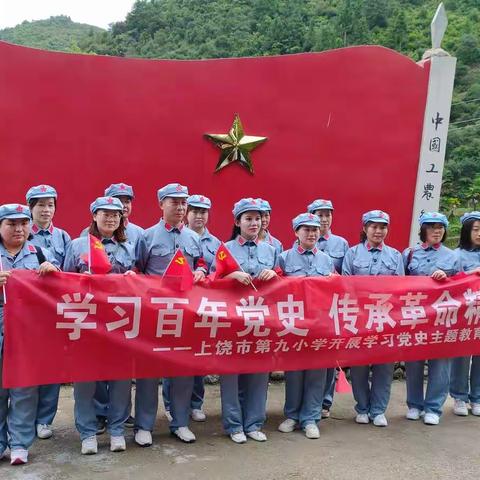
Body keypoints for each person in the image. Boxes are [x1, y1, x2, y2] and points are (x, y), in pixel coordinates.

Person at [63, 196, 136, 454]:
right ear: (94, 216)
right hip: (86, 322)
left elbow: (138, 286)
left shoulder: (128, 248)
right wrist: (79, 280)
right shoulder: (76, 245)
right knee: (86, 380)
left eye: (116, 214)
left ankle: (117, 430)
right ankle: (88, 432)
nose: (111, 218)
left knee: (120, 380)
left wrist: (131, 278)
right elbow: (63, 284)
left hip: (120, 322)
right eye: (105, 213)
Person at [135, 183, 206, 445]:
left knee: (182, 371)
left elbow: (200, 264)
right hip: (154, 314)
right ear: (161, 204)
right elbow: (138, 270)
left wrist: (201, 271)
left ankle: (180, 422)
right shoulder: (147, 236)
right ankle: (143, 425)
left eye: (183, 202)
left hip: (184, 314)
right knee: (148, 372)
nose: (179, 207)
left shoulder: (193, 238)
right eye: (173, 202)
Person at [213, 197, 278, 444]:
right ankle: (233, 425)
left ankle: (253, 423)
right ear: (237, 221)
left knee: (259, 374)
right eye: (248, 218)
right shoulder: (225, 248)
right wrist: (231, 274)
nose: (254, 223)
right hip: (232, 322)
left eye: (258, 218)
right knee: (230, 375)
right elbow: (212, 282)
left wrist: (274, 273)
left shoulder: (271, 250)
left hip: (261, 321)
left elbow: (282, 284)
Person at [0, 203, 58, 465]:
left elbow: (57, 292)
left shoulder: (39, 253)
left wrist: (51, 274)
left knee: (24, 389)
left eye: (23, 223)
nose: (19, 229)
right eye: (11, 224)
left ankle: (20, 444)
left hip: (26, 333)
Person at [342, 210, 404, 427]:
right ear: (365, 228)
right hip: (359, 319)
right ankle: (362, 407)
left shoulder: (396, 256)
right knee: (358, 365)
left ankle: (378, 410)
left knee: (384, 367)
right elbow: (346, 285)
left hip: (385, 319)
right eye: (374, 226)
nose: (378, 231)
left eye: (382, 227)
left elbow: (400, 289)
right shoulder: (352, 254)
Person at [162, 194, 220, 424]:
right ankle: (170, 404)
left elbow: (209, 267)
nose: (199, 215)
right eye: (195, 211)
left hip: (199, 308)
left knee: (197, 356)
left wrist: (203, 273)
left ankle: (195, 403)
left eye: (204, 211)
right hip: (169, 308)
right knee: (171, 359)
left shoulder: (215, 243)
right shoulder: (159, 236)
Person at [277, 213, 335, 439]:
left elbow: (335, 289)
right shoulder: (284, 258)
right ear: (296, 232)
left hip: (320, 325)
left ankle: (310, 418)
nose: (311, 234)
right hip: (294, 325)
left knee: (317, 373)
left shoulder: (326, 260)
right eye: (306, 230)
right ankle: (292, 415)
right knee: (294, 372)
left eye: (315, 230)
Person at [25, 184, 72, 440]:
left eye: (50, 205)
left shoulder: (63, 237)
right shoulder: (20, 233)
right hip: (25, 313)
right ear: (31, 208)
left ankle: (44, 420)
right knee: (28, 365)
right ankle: (24, 417)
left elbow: (69, 272)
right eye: (41, 205)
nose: (46, 210)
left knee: (51, 367)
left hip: (54, 311)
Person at [403, 212, 458, 425]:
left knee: (441, 364)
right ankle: (415, 404)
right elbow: (399, 283)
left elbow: (464, 286)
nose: (437, 231)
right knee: (414, 362)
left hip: (443, 317)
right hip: (415, 317)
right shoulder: (409, 254)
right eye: (432, 227)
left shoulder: (452, 256)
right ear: (423, 230)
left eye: (440, 227)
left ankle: (433, 407)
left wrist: (447, 278)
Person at [307, 198, 349, 418]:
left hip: (331, 310)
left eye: (327, 214)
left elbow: (347, 278)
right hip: (306, 312)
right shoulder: (303, 238)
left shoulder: (341, 244)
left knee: (329, 358)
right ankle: (307, 402)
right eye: (319, 214)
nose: (324, 219)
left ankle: (325, 402)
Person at [450, 211, 480, 416]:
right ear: (467, 231)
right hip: (465, 313)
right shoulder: (456, 255)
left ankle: (477, 397)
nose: (479, 234)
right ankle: (459, 396)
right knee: (461, 356)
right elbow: (451, 283)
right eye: (476, 229)